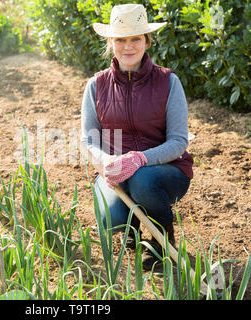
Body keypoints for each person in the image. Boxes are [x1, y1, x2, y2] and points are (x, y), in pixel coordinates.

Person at [80, 3, 193, 271]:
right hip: (114, 171)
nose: (128, 46)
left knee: (142, 180)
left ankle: (161, 239)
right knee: (112, 220)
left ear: (147, 41)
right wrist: (107, 160)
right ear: (111, 42)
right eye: (121, 39)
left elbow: (179, 141)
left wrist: (140, 158)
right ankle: (131, 229)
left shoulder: (168, 82)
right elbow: (88, 140)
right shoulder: (96, 85)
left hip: (163, 171)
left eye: (135, 39)